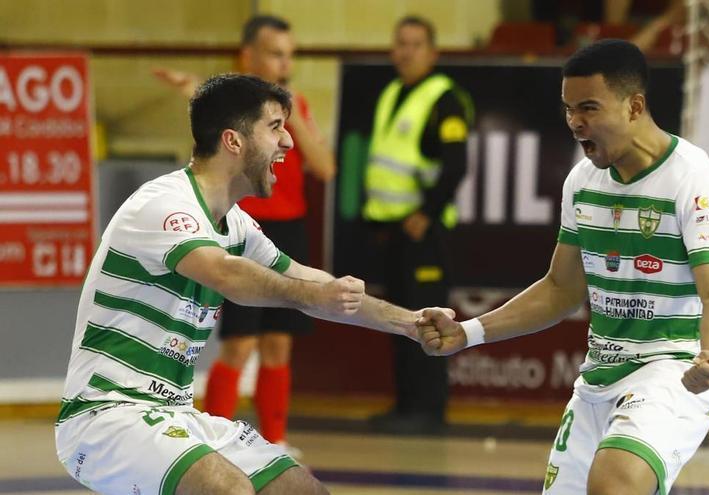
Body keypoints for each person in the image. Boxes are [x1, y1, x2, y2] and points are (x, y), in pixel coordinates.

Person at [55, 74, 449, 495]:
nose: (289, 143)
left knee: (301, 490)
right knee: (227, 489)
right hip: (105, 416)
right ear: (234, 141)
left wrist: (410, 322)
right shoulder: (165, 205)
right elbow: (227, 273)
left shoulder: (238, 225)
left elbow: (312, 282)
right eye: (275, 127)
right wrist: (314, 294)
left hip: (175, 415)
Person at [418, 39, 709, 495]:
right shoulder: (583, 180)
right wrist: (468, 332)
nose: (575, 122)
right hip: (597, 379)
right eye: (569, 109)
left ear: (635, 106)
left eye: (588, 108)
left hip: (672, 372)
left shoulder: (695, 180)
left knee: (615, 483)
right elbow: (560, 289)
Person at [154, 15, 335, 453]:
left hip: (290, 227)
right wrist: (190, 90)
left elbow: (324, 167)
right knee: (238, 343)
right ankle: (213, 438)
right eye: (275, 54)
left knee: (278, 342)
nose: (284, 64)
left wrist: (291, 114)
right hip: (245, 227)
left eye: (290, 56)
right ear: (248, 55)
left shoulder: (294, 109)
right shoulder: (232, 110)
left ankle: (275, 439)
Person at [362, 15, 473, 434]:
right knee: (400, 320)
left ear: (433, 52)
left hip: (424, 233)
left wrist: (425, 213)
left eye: (415, 44)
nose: (406, 52)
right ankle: (406, 406)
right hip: (392, 229)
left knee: (427, 320)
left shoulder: (444, 98)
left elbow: (457, 164)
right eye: (401, 43)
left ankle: (429, 409)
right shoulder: (392, 92)